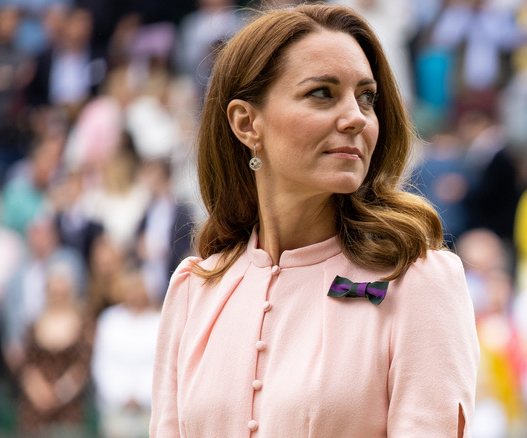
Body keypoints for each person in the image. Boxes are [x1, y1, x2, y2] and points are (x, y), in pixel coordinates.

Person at [150, 4, 480, 437]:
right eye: (322, 93)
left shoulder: (420, 280)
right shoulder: (192, 289)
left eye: (367, 97)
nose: (355, 118)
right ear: (247, 123)